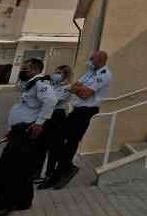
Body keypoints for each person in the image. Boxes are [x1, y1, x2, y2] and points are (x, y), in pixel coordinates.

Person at [0, 58, 57, 216]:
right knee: (22, 168)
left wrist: (39, 123)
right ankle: (23, 201)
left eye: (26, 68)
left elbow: (51, 100)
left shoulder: (41, 82)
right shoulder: (32, 82)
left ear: (35, 69)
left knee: (7, 168)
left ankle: (3, 205)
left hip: (26, 131)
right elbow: (21, 89)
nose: (24, 70)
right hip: (20, 131)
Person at [41, 50, 112, 190]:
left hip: (86, 111)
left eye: (92, 59)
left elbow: (85, 94)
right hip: (76, 111)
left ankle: (60, 173)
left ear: (101, 60)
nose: (90, 61)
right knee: (60, 140)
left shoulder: (104, 75)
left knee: (71, 142)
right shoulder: (89, 73)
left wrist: (78, 89)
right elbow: (74, 86)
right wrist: (79, 88)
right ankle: (66, 169)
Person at [31, 65, 72, 183]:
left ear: (65, 75)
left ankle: (50, 174)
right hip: (46, 115)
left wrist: (45, 95)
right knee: (40, 145)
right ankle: (36, 173)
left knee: (53, 147)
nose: (56, 74)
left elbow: (54, 100)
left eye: (59, 73)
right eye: (56, 72)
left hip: (57, 116)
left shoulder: (67, 87)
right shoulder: (51, 85)